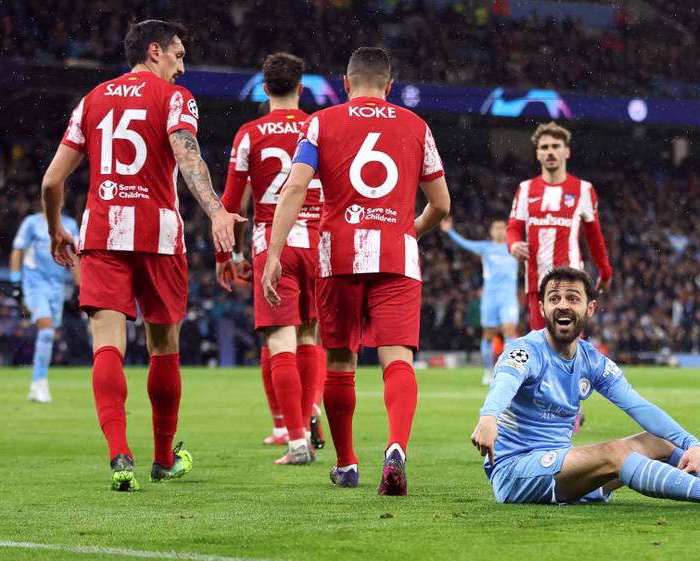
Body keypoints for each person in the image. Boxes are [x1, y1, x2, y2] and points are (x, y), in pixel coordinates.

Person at [41, 19, 244, 491]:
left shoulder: (92, 100)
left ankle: (119, 456)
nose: (182, 65)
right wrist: (216, 210)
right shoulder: (176, 99)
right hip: (158, 237)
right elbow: (188, 157)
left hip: (101, 236)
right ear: (154, 52)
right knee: (163, 349)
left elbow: (52, 181)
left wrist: (56, 231)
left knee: (107, 344)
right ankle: (162, 457)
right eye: (177, 55)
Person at [470, 267, 700, 509]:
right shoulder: (525, 349)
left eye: (572, 298)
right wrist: (489, 417)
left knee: (657, 441)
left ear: (589, 308)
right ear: (542, 306)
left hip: (562, 470)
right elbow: (505, 380)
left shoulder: (592, 360)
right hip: (517, 474)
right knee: (615, 452)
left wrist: (691, 443)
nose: (562, 304)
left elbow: (638, 406)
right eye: (554, 297)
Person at [263, 46, 450, 495]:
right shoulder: (416, 125)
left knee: (342, 363)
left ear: (345, 84)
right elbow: (441, 204)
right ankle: (396, 447)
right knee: (397, 359)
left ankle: (347, 463)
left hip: (338, 255)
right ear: (390, 86)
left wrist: (273, 252)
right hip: (397, 255)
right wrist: (409, 232)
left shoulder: (320, 122)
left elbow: (295, 187)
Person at [216, 53, 324, 464]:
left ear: (265, 88)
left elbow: (231, 202)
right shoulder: (319, 127)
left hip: (270, 242)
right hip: (317, 240)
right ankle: (312, 412)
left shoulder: (249, 133)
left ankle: (295, 439)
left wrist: (231, 253)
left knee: (279, 339)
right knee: (310, 334)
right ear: (301, 88)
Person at [507, 122, 613, 331]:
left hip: (572, 282)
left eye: (555, 146)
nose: (550, 152)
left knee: (570, 347)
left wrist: (605, 271)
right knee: (542, 345)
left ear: (567, 151)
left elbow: (594, 236)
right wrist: (513, 245)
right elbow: (513, 228)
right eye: (545, 147)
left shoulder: (583, 189)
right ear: (538, 154)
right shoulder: (526, 189)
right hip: (537, 283)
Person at [9, 206, 80, 403]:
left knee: (49, 334)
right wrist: (15, 282)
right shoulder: (31, 223)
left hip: (56, 287)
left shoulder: (70, 224)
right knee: (47, 330)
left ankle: (37, 384)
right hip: (34, 284)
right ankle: (40, 383)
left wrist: (79, 285)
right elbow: (17, 250)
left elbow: (75, 255)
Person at [440, 217, 518, 385]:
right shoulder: (485, 248)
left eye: (502, 228)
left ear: (506, 231)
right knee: (488, 335)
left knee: (509, 331)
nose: (499, 231)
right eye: (496, 228)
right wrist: (450, 231)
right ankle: (488, 370)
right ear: (491, 231)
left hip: (508, 297)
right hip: (490, 296)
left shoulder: (514, 248)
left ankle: (506, 370)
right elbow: (465, 244)